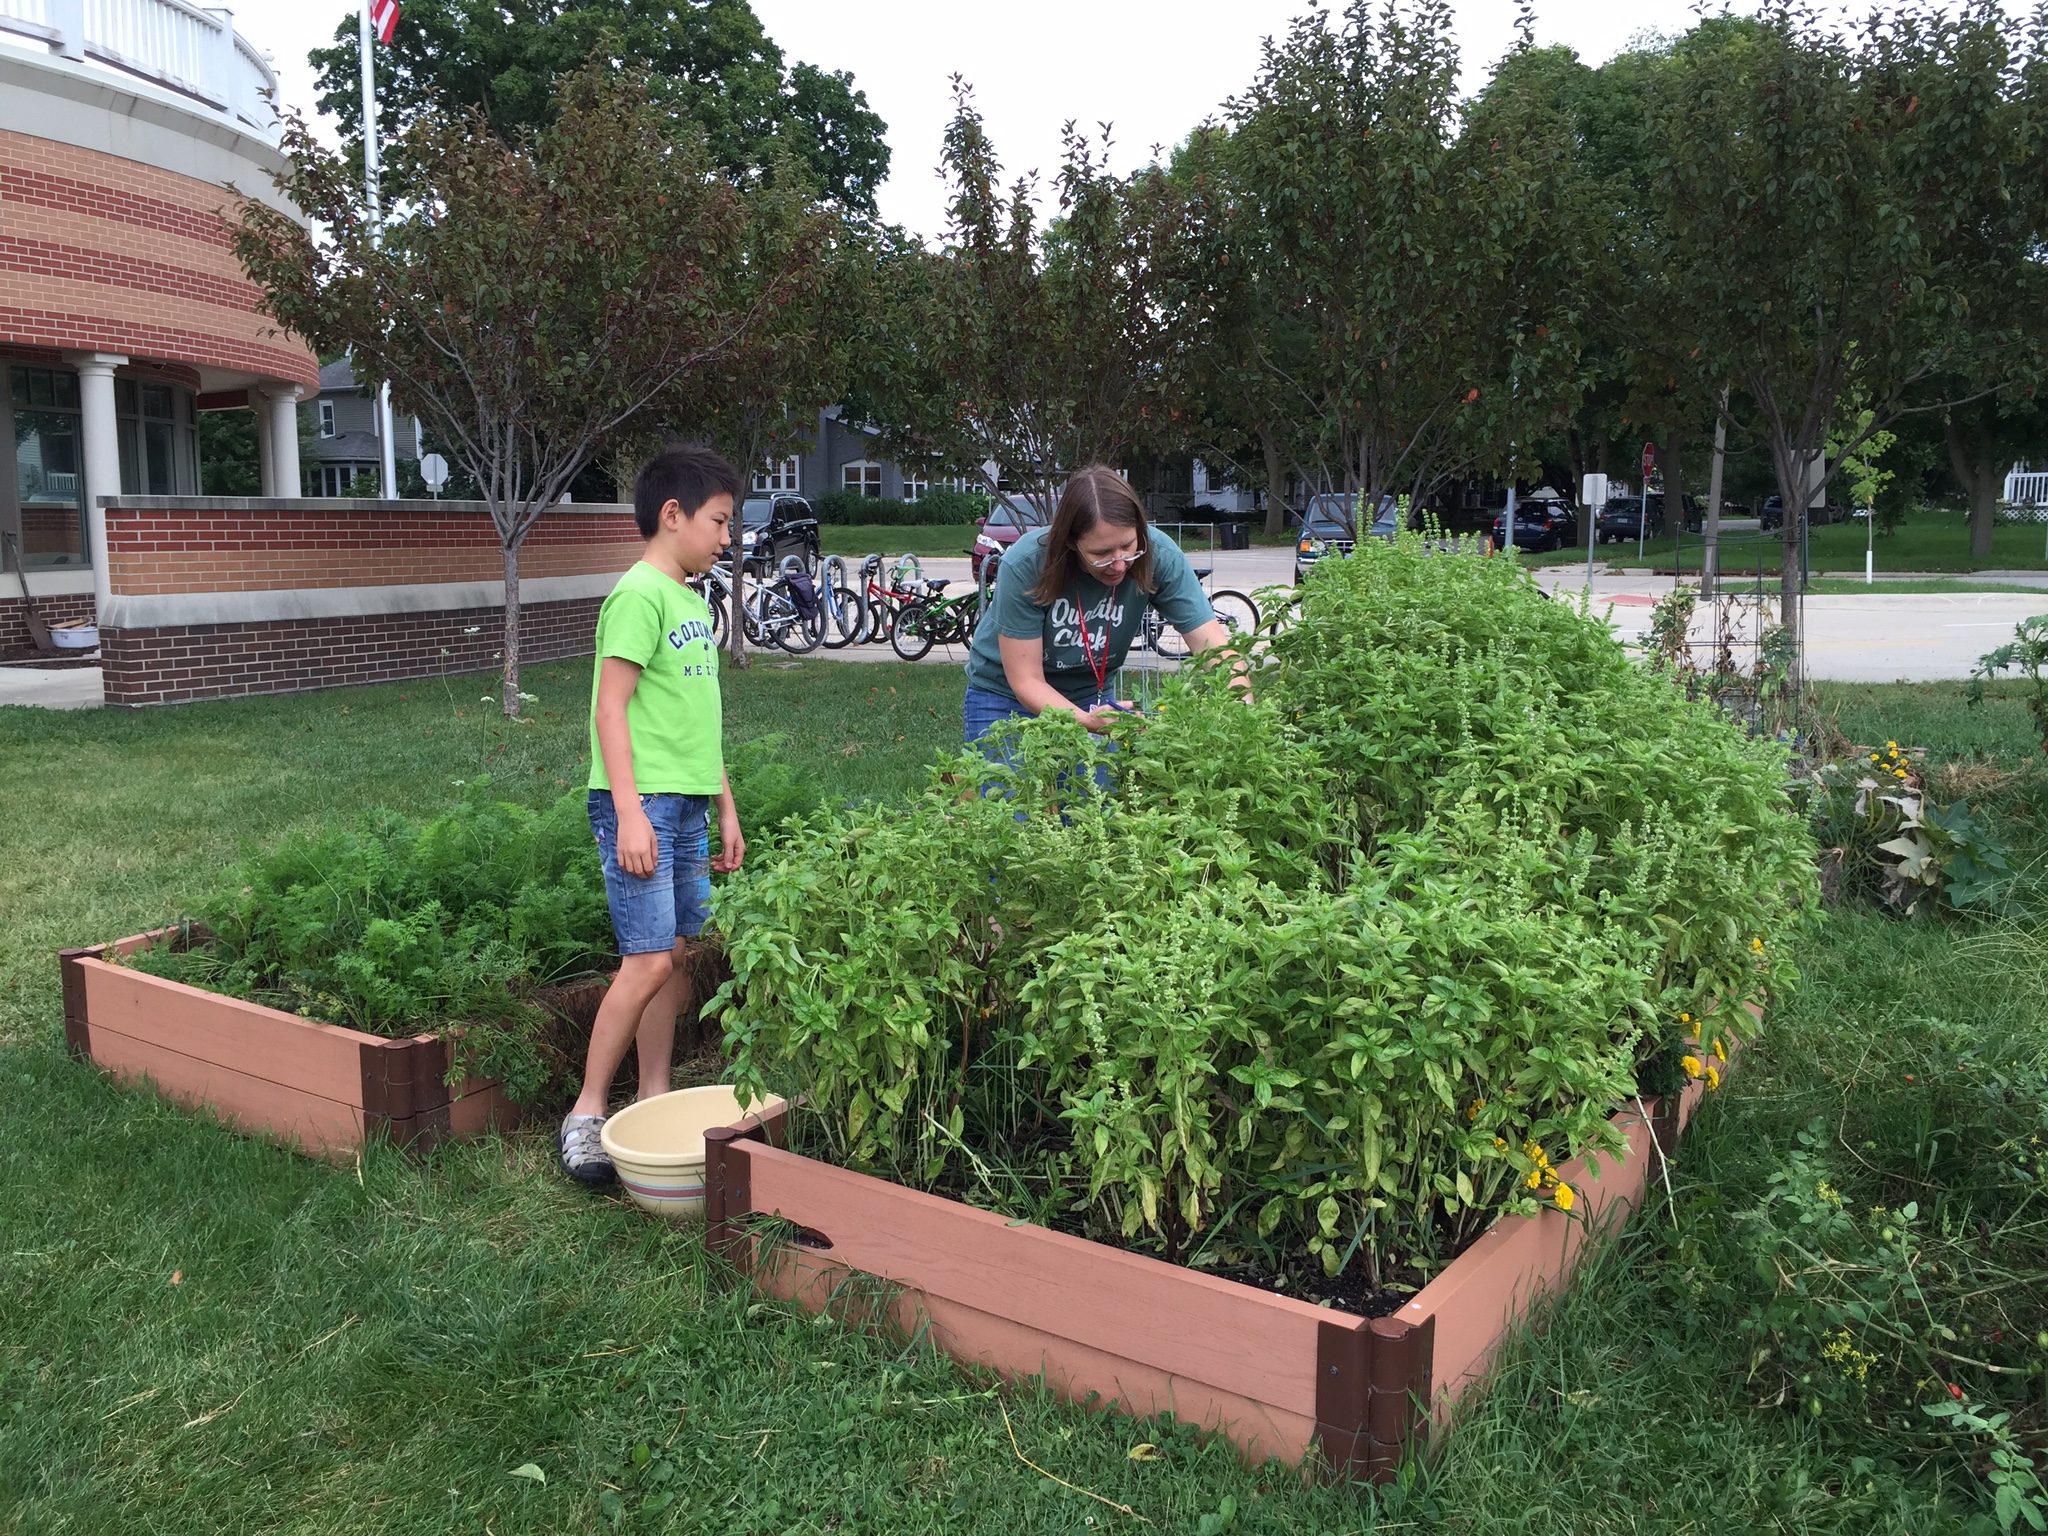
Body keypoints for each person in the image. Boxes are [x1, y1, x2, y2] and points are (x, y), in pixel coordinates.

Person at [559, 443, 746, 1186]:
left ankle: (656, 1093)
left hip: (688, 802)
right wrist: (631, 814)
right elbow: (610, 709)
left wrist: (725, 808)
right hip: (641, 804)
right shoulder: (639, 595)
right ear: (673, 516)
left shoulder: (691, 601)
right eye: (719, 521)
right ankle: (586, 1113)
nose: (727, 538)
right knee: (645, 962)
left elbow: (703, 724)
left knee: (672, 954)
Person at [962, 464, 1237, 742]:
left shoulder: (1161, 555)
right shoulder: (1026, 563)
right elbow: (1026, 679)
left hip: (1090, 695)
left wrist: (1244, 714)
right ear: (1071, 542)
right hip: (1005, 697)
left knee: (1092, 786)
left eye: (1129, 546)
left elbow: (1215, 649)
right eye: (1101, 553)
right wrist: (1086, 722)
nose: (1119, 564)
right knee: (1009, 785)